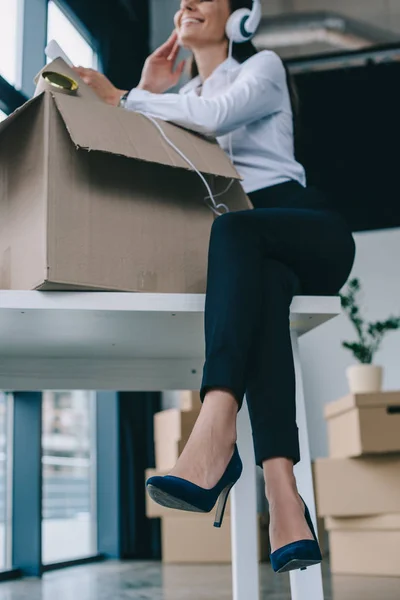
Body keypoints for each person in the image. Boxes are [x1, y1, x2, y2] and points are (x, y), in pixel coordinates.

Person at [74, 0, 355, 573]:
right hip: (249, 252)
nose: (187, 3)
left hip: (302, 226)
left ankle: (214, 431)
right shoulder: (172, 101)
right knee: (263, 293)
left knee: (235, 232)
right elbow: (142, 150)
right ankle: (284, 498)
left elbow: (216, 115)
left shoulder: (262, 67)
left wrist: (126, 95)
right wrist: (147, 89)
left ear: (240, 15)